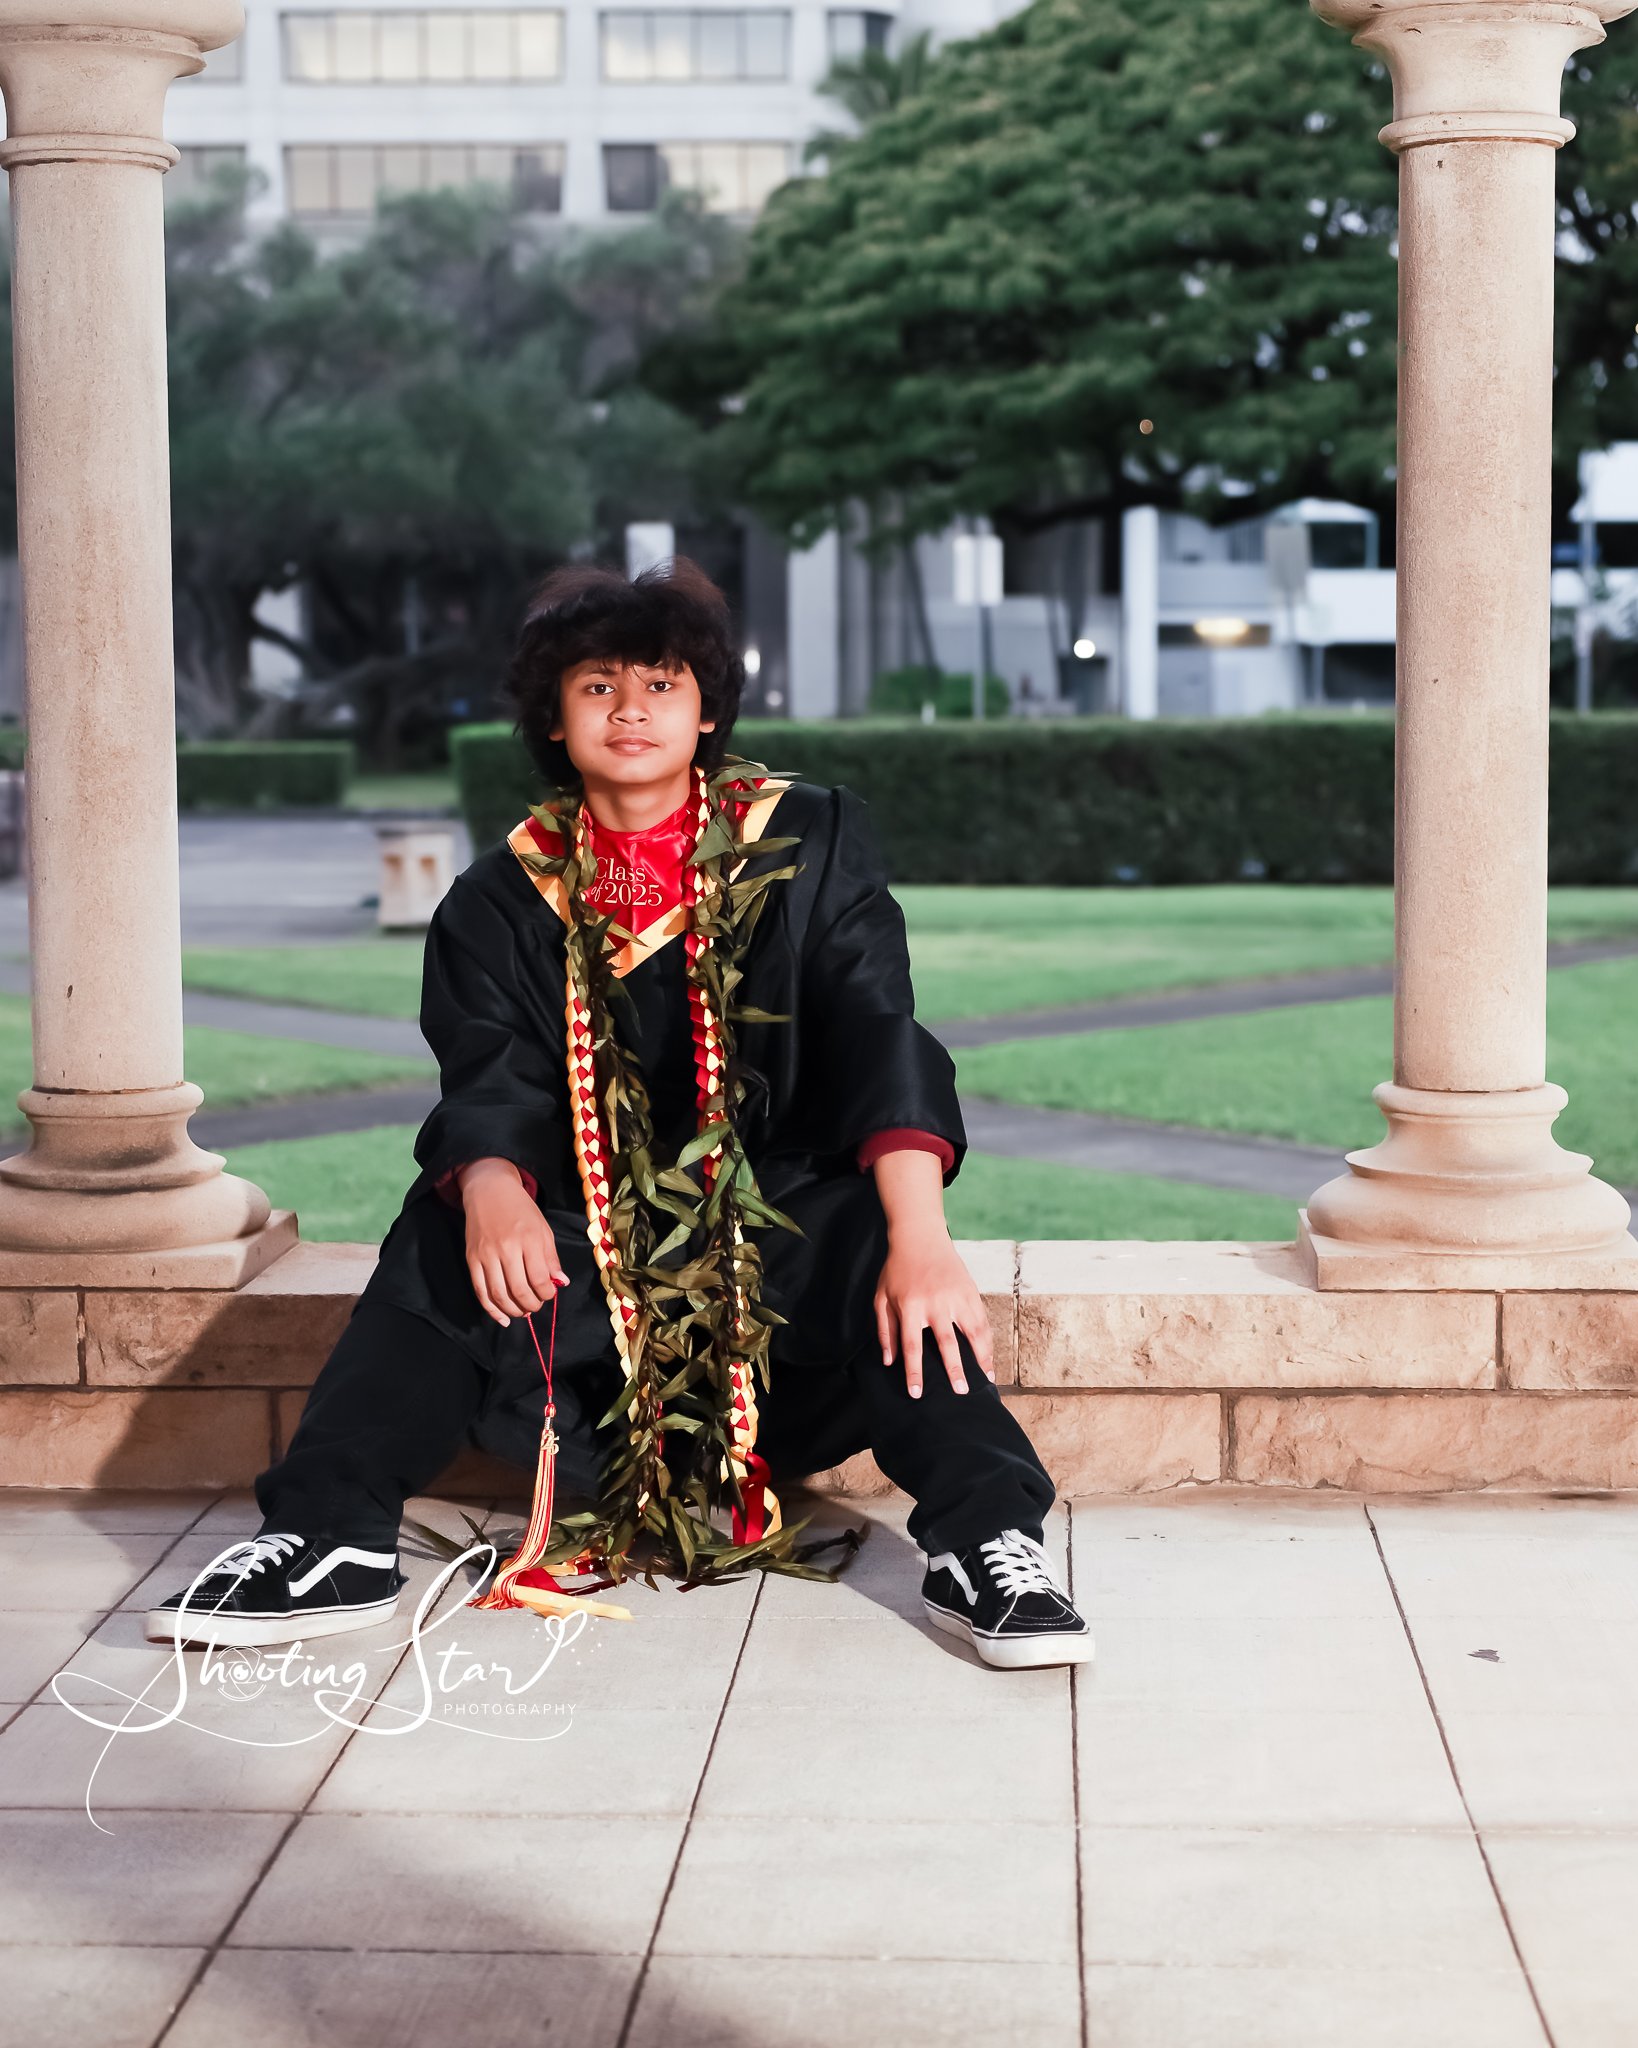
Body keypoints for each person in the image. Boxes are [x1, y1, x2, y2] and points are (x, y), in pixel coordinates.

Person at [146, 558, 1094, 1670]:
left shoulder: (812, 842)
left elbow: (878, 1029)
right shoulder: (501, 897)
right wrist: (493, 1193)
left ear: (707, 710)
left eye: (662, 682)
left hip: (772, 1241)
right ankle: (327, 1533)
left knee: (878, 1241)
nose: (632, 707)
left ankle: (987, 1541)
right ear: (554, 717)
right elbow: (487, 1074)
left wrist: (923, 1239)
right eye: (598, 686)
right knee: (440, 1233)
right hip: (588, 1267)